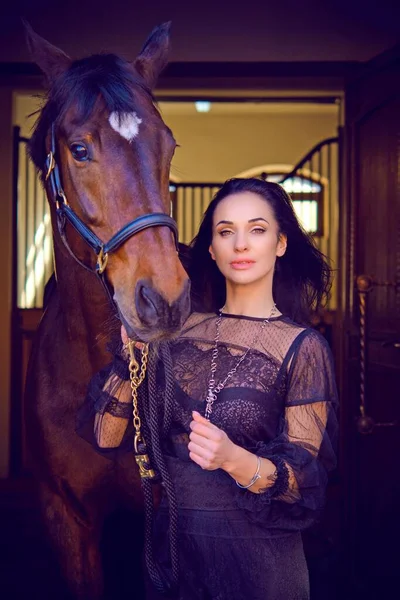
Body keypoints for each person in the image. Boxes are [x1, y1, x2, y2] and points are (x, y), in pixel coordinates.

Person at [78, 177, 338, 600]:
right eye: (225, 232)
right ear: (212, 249)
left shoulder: (303, 347)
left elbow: (303, 485)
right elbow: (105, 437)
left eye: (257, 230)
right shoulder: (175, 333)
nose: (240, 245)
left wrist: (235, 460)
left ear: (281, 244)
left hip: (259, 564)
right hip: (176, 556)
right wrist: (129, 359)